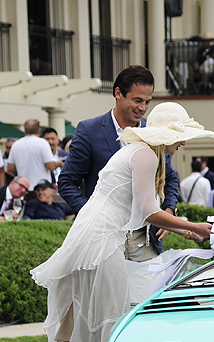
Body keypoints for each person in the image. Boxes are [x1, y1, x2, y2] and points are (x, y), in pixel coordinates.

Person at [31, 102, 214, 342]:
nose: (184, 144)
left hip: (95, 239)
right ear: (168, 134)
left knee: (106, 321)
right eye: (182, 136)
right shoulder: (145, 154)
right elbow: (149, 211)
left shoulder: (136, 151)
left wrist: (184, 229)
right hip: (102, 241)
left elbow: (146, 209)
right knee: (111, 323)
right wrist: (194, 226)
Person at [58, 66, 181, 265]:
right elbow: (66, 182)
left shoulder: (154, 131)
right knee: (106, 296)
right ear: (118, 93)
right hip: (101, 240)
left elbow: (169, 178)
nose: (143, 108)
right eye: (137, 100)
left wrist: (169, 210)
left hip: (146, 240)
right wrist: (93, 217)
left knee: (144, 295)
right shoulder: (89, 130)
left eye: (147, 102)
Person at [6, 119, 57, 188]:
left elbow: (10, 168)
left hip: (23, 187)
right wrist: (59, 163)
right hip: (41, 188)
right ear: (39, 130)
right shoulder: (43, 143)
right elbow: (51, 166)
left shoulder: (16, 144)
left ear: (25, 131)